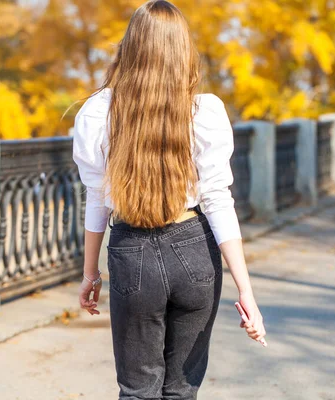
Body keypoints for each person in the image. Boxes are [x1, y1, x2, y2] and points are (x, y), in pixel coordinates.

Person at [72, 1, 266, 398]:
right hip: (194, 249)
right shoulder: (204, 111)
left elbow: (96, 198)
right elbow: (217, 201)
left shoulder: (98, 112)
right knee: (182, 391)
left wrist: (90, 272)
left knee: (138, 391)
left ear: (130, 46)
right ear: (183, 50)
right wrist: (246, 290)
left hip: (131, 254)